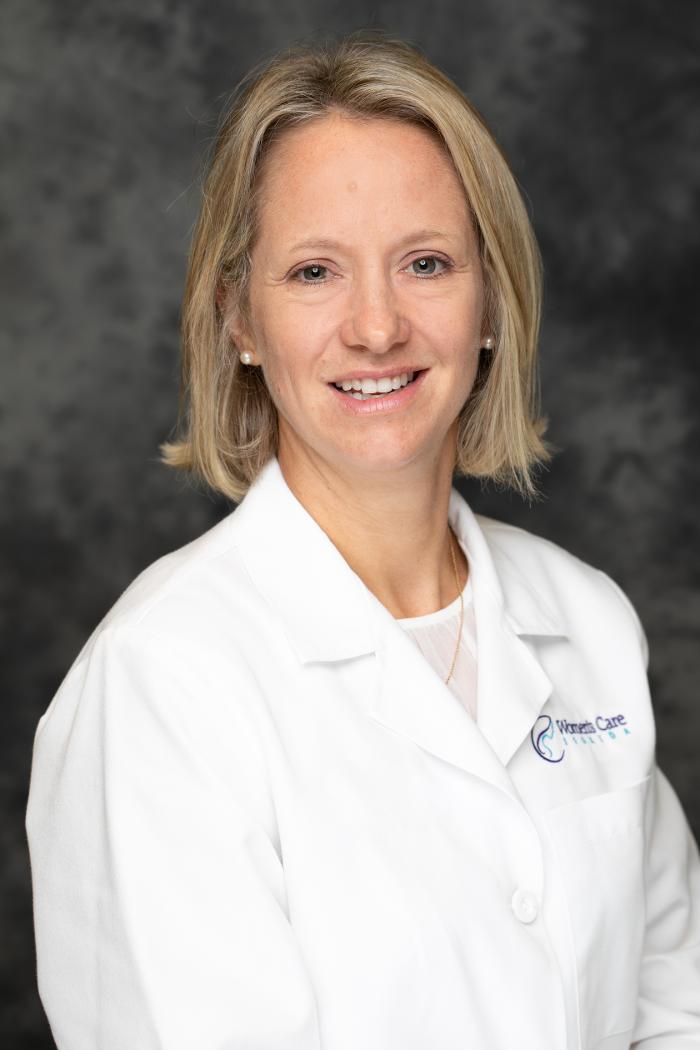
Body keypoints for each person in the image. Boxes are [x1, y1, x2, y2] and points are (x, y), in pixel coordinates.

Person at [25, 29, 700, 1050]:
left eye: (425, 263)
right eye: (314, 272)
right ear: (239, 321)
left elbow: (673, 1008)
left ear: (490, 300)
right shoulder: (162, 680)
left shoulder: (587, 618)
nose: (377, 327)